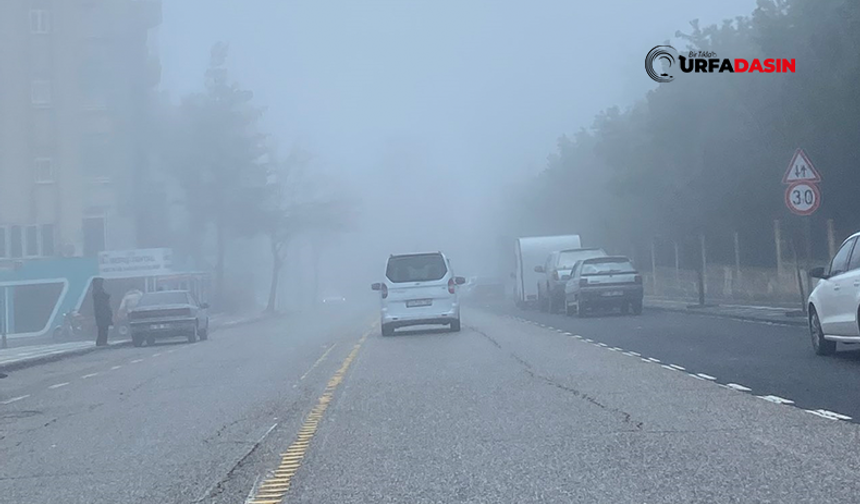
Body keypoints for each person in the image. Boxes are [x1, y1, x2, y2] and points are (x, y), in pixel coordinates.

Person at [92, 277, 112, 346]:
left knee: (104, 327)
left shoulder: (98, 291)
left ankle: (102, 341)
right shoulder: (97, 292)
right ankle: (101, 341)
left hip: (103, 312)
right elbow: (103, 298)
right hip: (102, 313)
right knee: (102, 327)